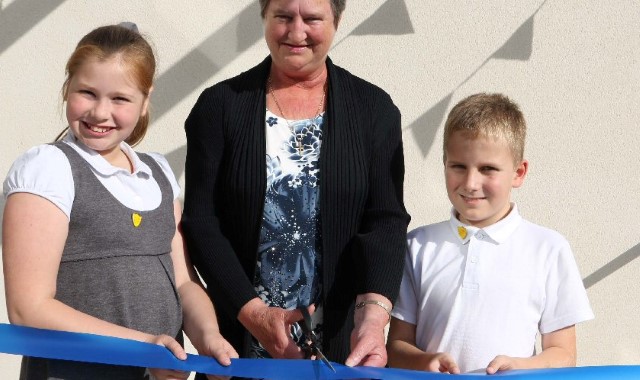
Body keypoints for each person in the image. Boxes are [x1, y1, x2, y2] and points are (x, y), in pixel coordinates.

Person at [181, 0, 410, 374]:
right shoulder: (219, 107)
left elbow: (385, 221)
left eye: (313, 19)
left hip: (339, 348)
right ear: (264, 17)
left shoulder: (374, 111)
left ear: (336, 20)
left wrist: (372, 321)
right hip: (236, 344)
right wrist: (254, 315)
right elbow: (203, 223)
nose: (296, 32)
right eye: (283, 17)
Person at [2, 23, 238, 380]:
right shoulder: (48, 168)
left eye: (120, 99)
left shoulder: (157, 172)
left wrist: (208, 338)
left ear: (145, 101)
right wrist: (143, 345)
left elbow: (184, 282)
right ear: (68, 88)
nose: (100, 112)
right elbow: (28, 307)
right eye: (87, 93)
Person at [387, 93, 594, 374]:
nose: (471, 183)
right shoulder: (417, 245)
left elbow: (564, 354)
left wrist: (519, 367)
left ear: (518, 173)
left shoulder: (549, 248)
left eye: (488, 169)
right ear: (444, 163)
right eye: (458, 166)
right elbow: (397, 345)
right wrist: (425, 361)